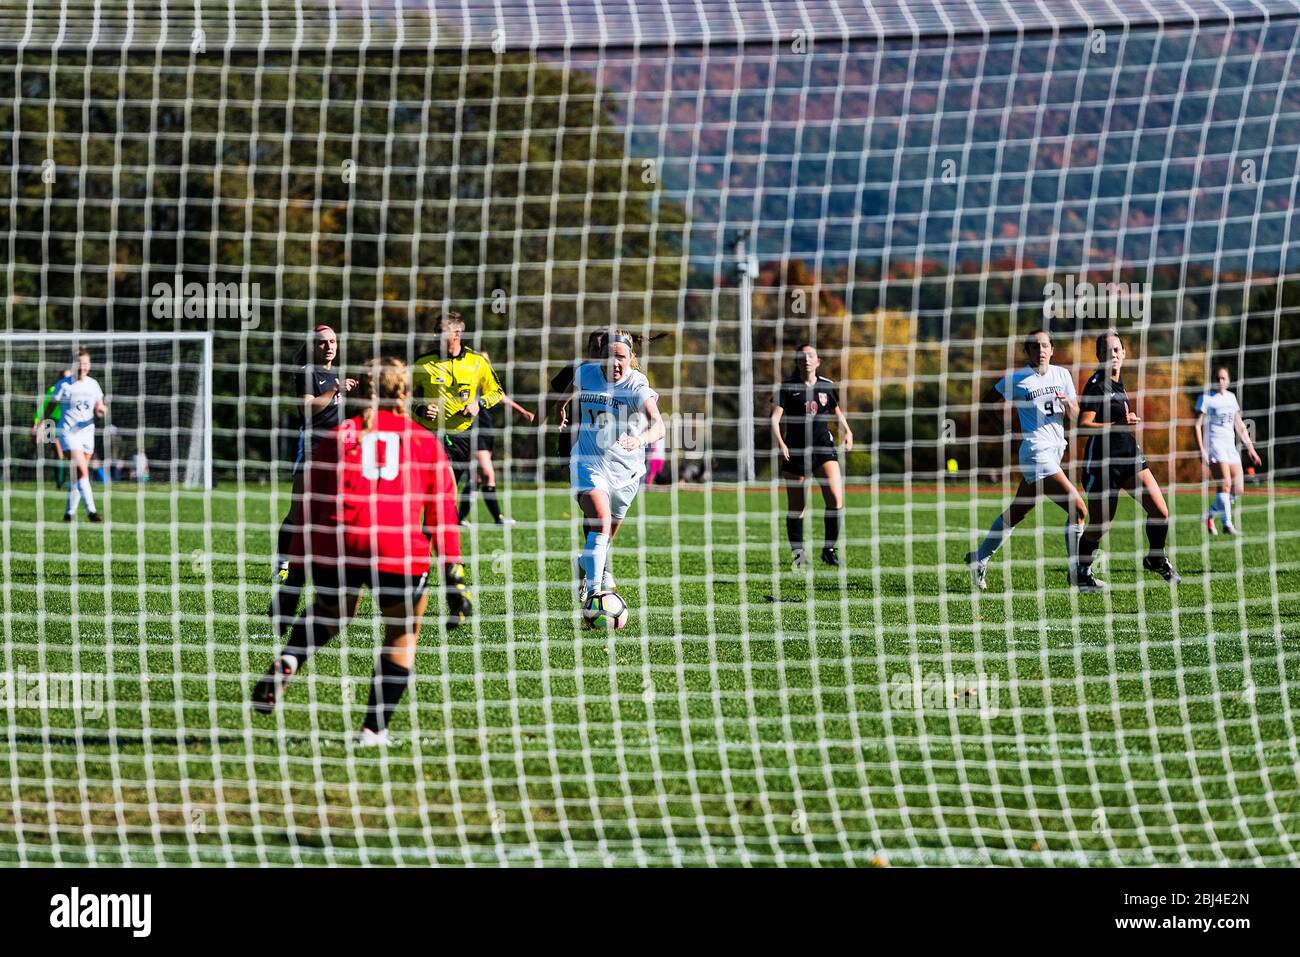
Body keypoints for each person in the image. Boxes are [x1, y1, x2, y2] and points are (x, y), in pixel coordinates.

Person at [252, 357, 472, 746]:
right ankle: (373, 729)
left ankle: (288, 661)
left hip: (338, 544)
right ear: (405, 394)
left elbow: (306, 510)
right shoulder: (423, 441)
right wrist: (454, 577)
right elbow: (442, 515)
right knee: (403, 632)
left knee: (334, 612)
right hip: (395, 546)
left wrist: (291, 585)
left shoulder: (336, 438)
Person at [545, 330, 665, 610]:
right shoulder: (586, 373)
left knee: (604, 537)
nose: (615, 363)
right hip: (588, 463)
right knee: (600, 520)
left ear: (631, 358)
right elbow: (570, 389)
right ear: (600, 356)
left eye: (621, 357)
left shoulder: (637, 386)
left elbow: (659, 425)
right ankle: (594, 596)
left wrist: (640, 439)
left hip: (626, 472)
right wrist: (561, 409)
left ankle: (583, 565)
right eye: (609, 356)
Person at [966, 329, 1085, 590]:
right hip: (1035, 452)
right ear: (1027, 352)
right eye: (1034, 347)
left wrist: (1068, 406)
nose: (1040, 350)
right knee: (1079, 509)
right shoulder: (1017, 378)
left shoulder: (1062, 375)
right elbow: (987, 402)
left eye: (1044, 346)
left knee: (1017, 512)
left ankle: (979, 558)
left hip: (1056, 450)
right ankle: (1078, 573)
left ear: (1052, 349)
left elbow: (1077, 415)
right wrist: (1002, 428)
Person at [1072, 331, 1181, 589]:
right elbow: (1083, 425)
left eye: (1117, 350)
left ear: (1124, 353)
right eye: (1107, 351)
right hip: (1102, 464)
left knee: (1160, 511)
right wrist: (1118, 423)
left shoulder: (1118, 383)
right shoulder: (1096, 384)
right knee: (1100, 525)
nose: (1113, 355)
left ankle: (1156, 558)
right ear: (1099, 356)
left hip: (1129, 456)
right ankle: (1082, 572)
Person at [268, 325, 358, 636]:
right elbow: (307, 408)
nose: (329, 347)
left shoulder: (339, 373)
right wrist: (335, 391)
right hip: (313, 446)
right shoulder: (308, 371)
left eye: (333, 341)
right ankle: (283, 563)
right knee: (299, 510)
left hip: (339, 449)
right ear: (313, 346)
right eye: (323, 343)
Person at [410, 313, 505, 527]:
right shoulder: (423, 363)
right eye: (435, 331)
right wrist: (420, 408)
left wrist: (477, 405)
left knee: (446, 492)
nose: (436, 336)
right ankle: (430, 535)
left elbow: (496, 392)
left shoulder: (476, 362)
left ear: (457, 334)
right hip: (431, 435)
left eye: (440, 331)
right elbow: (402, 395)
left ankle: (427, 533)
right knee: (443, 486)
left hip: (463, 436)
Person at [770, 344, 853, 569]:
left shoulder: (827, 386)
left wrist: (847, 431)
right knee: (797, 507)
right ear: (797, 361)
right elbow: (775, 419)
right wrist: (781, 443)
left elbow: (836, 411)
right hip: (795, 451)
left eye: (811, 356)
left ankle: (829, 549)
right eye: (802, 356)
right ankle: (798, 555)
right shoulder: (787, 387)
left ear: (818, 361)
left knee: (835, 499)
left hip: (823, 448)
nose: (806, 360)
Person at [461, 349, 536, 525]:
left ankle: (459, 517)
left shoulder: (488, 383)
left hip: (486, 427)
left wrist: (524, 412)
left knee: (478, 478)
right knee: (487, 474)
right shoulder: (465, 381)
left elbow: (501, 397)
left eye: (487, 361)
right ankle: (497, 518)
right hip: (472, 428)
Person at [1194, 366, 1262, 535]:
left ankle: (1209, 515)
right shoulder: (1206, 398)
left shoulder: (1231, 398)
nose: (1220, 381)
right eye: (1217, 378)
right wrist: (1201, 449)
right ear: (1213, 380)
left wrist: (1251, 449)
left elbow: (1239, 424)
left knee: (1238, 489)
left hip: (1230, 446)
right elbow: (1196, 425)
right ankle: (1228, 525)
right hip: (1214, 446)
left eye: (1223, 378)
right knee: (1225, 484)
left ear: (1229, 381)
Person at [48, 349, 108, 523]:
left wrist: (101, 410)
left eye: (86, 364)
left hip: (87, 434)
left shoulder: (93, 384)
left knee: (78, 474)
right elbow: (51, 406)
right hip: (68, 433)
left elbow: (99, 406)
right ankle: (92, 512)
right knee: (82, 470)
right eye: (80, 364)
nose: (83, 367)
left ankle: (69, 513)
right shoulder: (64, 384)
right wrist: (42, 423)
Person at [31, 367, 72, 488]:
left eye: (69, 377)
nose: (67, 379)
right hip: (52, 422)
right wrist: (37, 423)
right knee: (59, 451)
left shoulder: (74, 389)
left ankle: (68, 480)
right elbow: (44, 406)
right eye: (65, 377)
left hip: (67, 423)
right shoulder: (54, 389)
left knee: (67, 453)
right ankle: (60, 482)